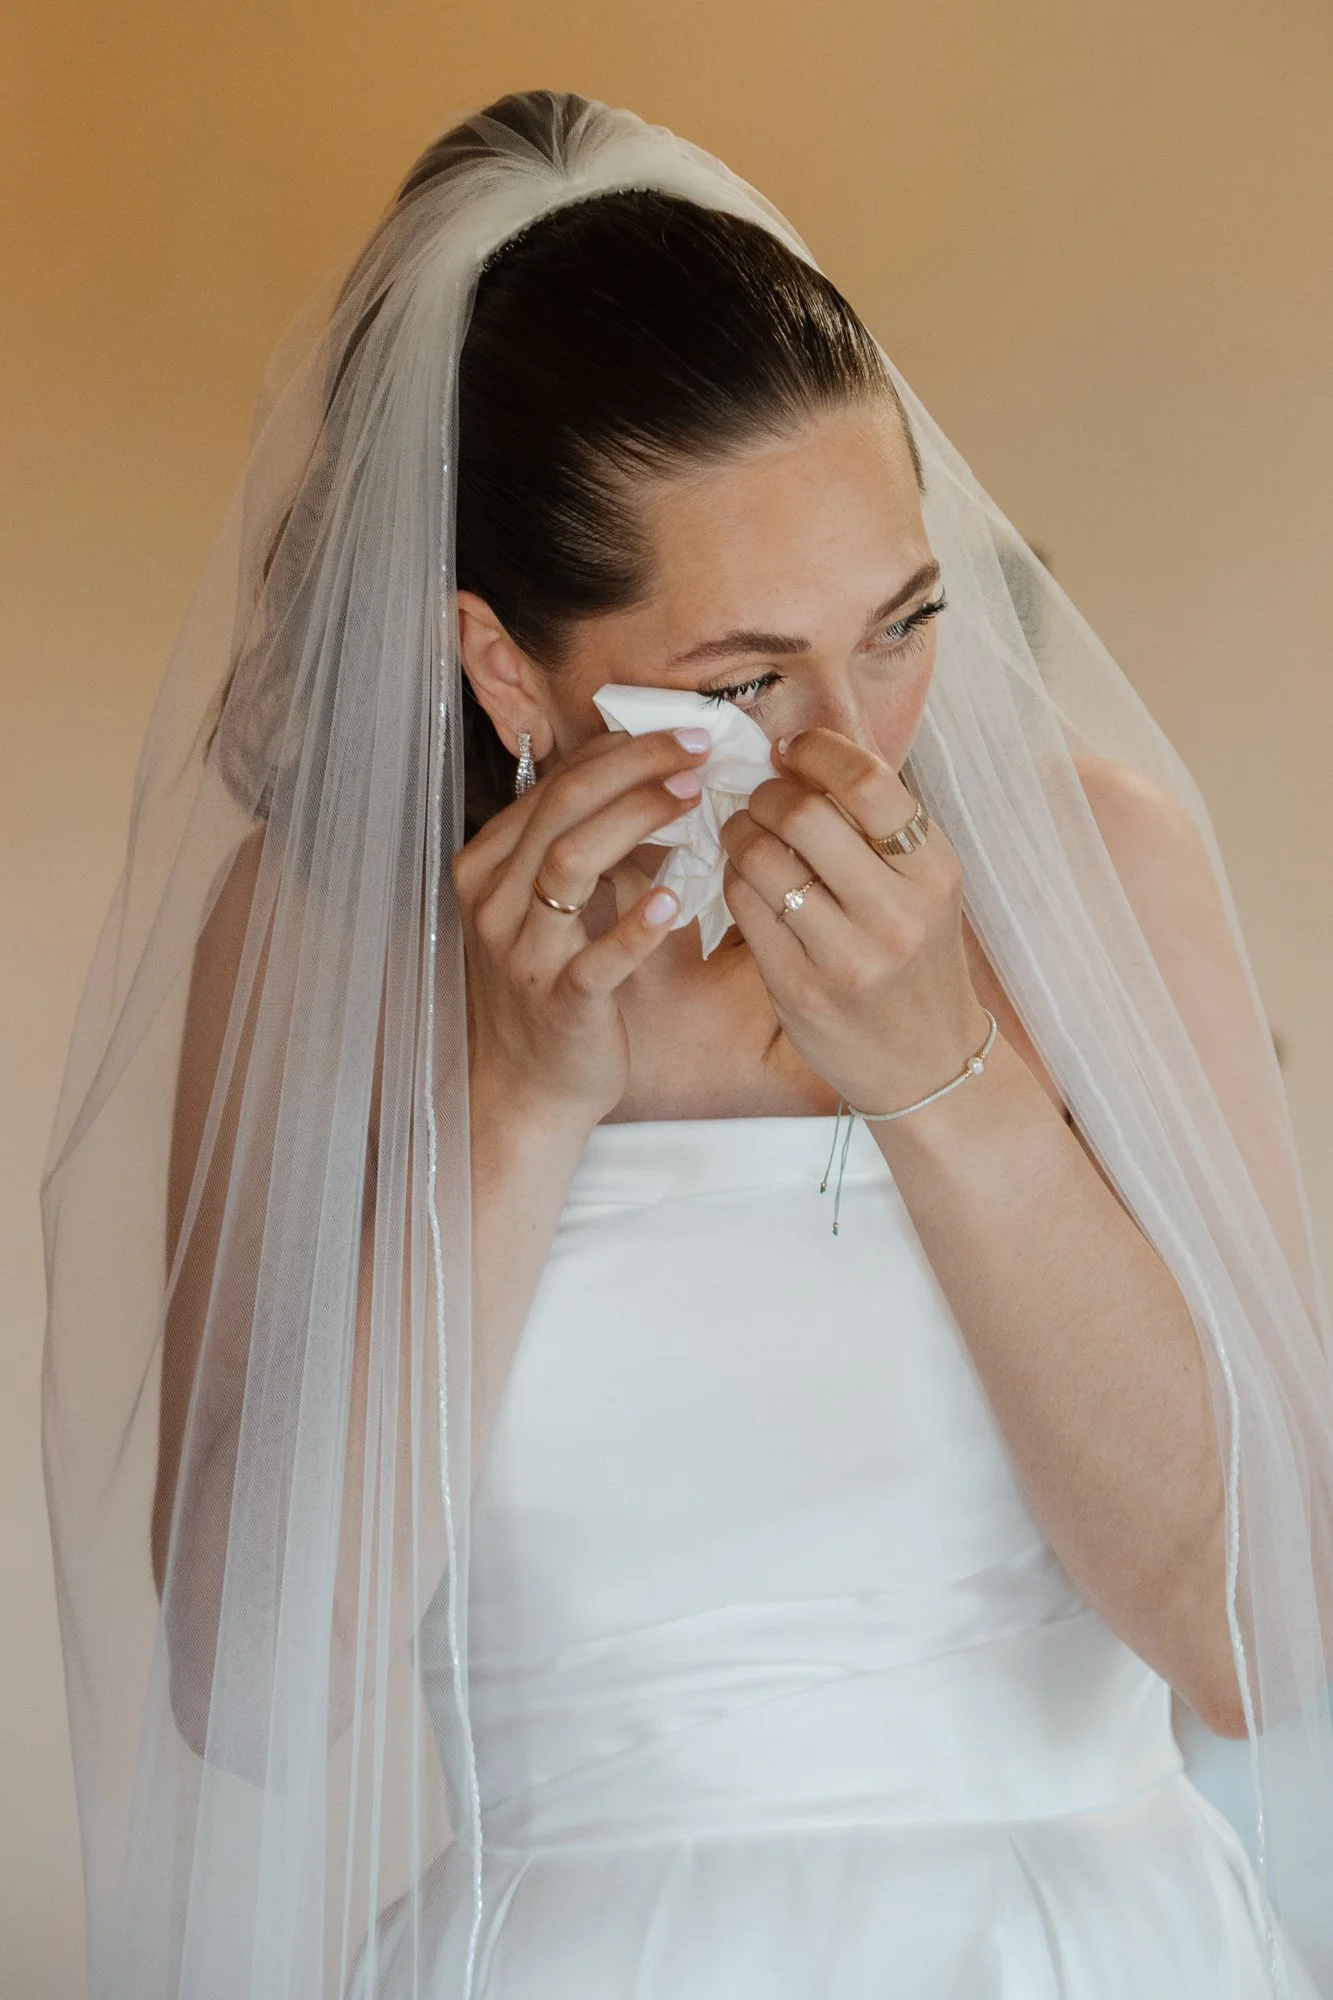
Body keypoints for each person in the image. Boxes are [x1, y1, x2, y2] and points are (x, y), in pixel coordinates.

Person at [40, 89, 1333, 2000]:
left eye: (899, 625)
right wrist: (511, 1101)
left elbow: (1263, 1645)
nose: (854, 745)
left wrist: (942, 1078)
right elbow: (248, 1694)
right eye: (744, 680)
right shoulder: (320, 947)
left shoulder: (1101, 878)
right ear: (507, 671)